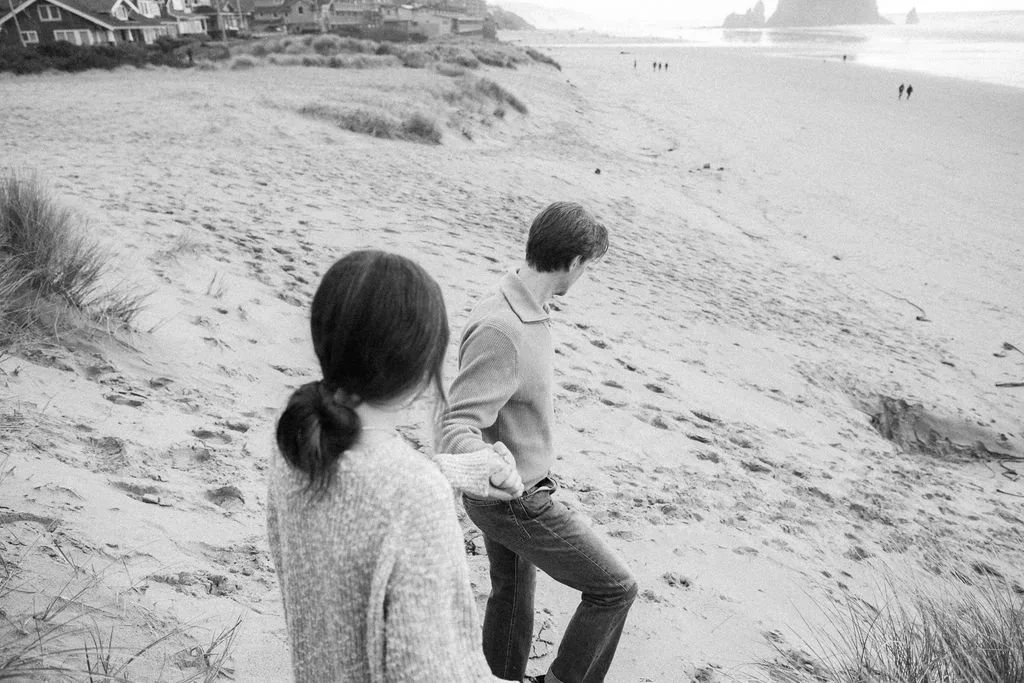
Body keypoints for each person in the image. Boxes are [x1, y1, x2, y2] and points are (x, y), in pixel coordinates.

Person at [267, 250, 523, 682]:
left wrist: (458, 471)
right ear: (423, 369)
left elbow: (362, 493)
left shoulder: (297, 435)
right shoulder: (414, 495)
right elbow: (430, 671)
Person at [439, 203, 639, 683]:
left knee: (511, 594)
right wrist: (492, 465)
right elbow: (455, 425)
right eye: (588, 265)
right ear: (572, 263)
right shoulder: (503, 328)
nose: (585, 274)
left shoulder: (520, 308)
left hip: (519, 491)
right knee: (614, 588)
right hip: (515, 500)